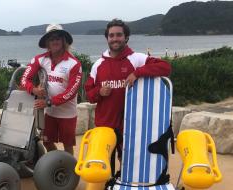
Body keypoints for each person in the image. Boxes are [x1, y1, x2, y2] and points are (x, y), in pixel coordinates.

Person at [84, 18, 171, 171]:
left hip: (130, 124)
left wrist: (138, 73)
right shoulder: (98, 64)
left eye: (119, 35)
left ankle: (123, 187)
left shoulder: (136, 58)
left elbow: (165, 67)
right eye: (111, 35)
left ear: (126, 37)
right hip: (105, 124)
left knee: (127, 163)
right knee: (104, 164)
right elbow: (89, 95)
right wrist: (99, 92)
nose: (115, 39)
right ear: (107, 38)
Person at [20, 24, 82, 155]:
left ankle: (68, 169)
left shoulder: (74, 63)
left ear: (63, 41)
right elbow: (25, 80)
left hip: (67, 113)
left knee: (68, 146)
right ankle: (56, 163)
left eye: (58, 38)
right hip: (49, 113)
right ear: (47, 42)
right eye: (51, 39)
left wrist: (48, 102)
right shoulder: (40, 59)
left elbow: (71, 92)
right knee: (47, 142)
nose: (55, 41)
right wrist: (34, 90)